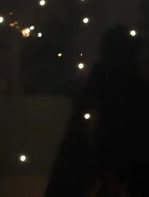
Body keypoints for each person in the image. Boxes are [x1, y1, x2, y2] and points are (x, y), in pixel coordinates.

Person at [45, 26, 149, 197]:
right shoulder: (131, 71)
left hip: (113, 135)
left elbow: (88, 98)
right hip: (124, 137)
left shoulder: (109, 69)